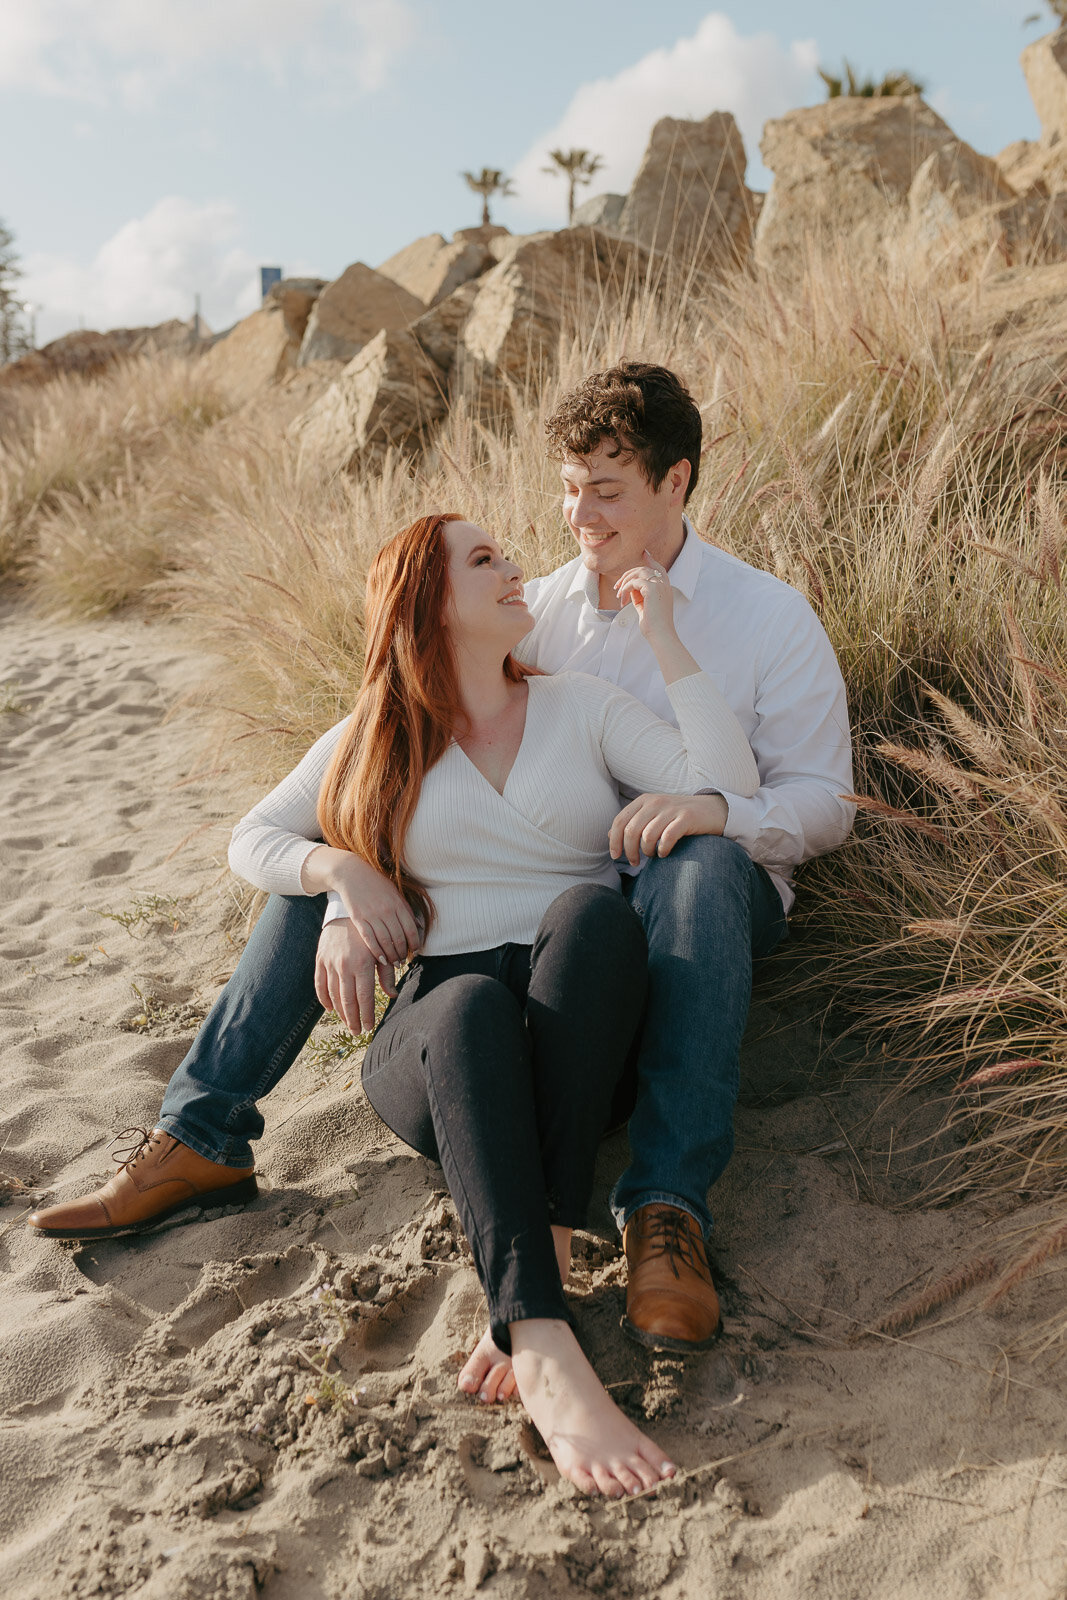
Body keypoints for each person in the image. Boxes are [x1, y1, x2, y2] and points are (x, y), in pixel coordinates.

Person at [29, 361, 853, 1372]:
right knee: (328, 869)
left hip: (680, 907)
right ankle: (202, 1133)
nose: (576, 515)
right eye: (566, 486)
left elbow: (821, 802)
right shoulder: (531, 610)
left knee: (698, 864)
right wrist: (343, 879)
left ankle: (664, 1212)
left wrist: (715, 808)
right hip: (533, 938)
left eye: (607, 488)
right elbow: (410, 744)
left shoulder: (766, 619)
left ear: (674, 483)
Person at [36, 509, 760, 1496]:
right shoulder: (375, 736)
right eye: (483, 560)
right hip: (445, 1054)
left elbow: (724, 787)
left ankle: (531, 1256)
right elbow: (250, 838)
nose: (514, 570)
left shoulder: (581, 705)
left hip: (581, 1029)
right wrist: (340, 872)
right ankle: (541, 1342)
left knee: (593, 921)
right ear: (428, 603)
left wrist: (664, 637)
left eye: (504, 553)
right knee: (460, 1002)